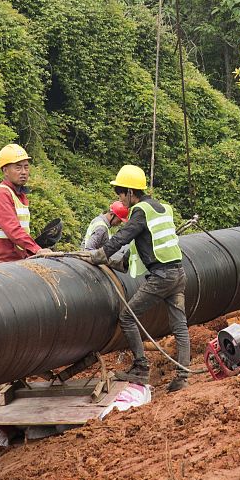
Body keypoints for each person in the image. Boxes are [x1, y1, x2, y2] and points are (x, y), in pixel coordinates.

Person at [88, 165, 191, 393]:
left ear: (130, 192)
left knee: (126, 316)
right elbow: (141, 245)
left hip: (162, 277)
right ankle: (183, 376)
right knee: (180, 325)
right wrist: (113, 261)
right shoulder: (164, 208)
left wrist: (100, 255)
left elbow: (124, 237)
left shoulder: (140, 211)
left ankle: (141, 368)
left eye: (120, 193)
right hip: (178, 273)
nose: (120, 199)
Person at [0, 144, 53, 265]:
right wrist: (37, 250)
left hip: (15, 263)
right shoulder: (2, 194)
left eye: (26, 167)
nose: (23, 172)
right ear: (5, 171)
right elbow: (13, 230)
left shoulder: (19, 195)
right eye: (18, 168)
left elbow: (21, 232)